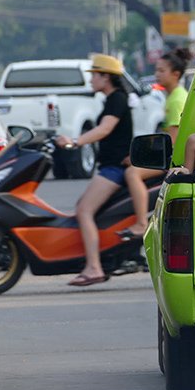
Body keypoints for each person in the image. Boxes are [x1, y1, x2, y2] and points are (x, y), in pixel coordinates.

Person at [54, 54, 133, 287]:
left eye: (94, 75)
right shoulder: (113, 99)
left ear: (105, 77)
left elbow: (104, 129)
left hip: (114, 168)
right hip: (110, 166)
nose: (91, 80)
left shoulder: (116, 99)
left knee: (84, 210)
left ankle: (94, 267)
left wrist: (75, 142)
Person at [119, 48, 193, 239]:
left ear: (175, 74)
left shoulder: (176, 99)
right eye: (157, 70)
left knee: (132, 172)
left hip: (176, 160)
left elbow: (174, 141)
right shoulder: (173, 96)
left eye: (161, 71)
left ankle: (141, 222)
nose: (157, 75)